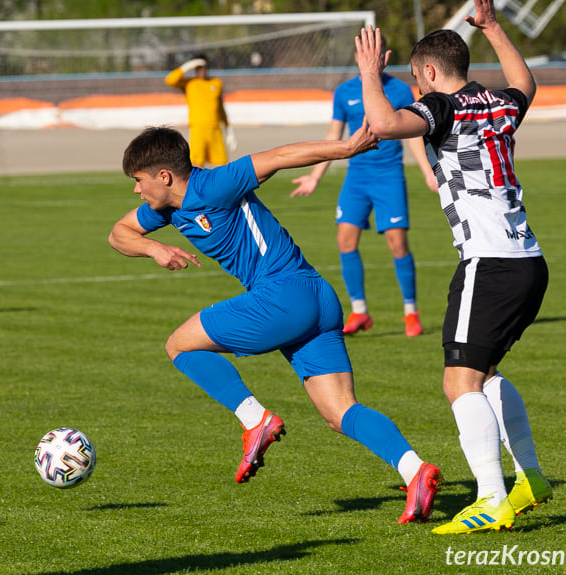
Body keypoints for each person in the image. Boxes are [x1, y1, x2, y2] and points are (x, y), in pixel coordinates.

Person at [109, 125, 442, 524]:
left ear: (163, 176)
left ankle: (255, 419)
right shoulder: (165, 209)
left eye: (138, 181)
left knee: (180, 345)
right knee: (339, 413)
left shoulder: (215, 184)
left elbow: (281, 156)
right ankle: (415, 471)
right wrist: (154, 247)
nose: (136, 191)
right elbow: (118, 234)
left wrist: (347, 147)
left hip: (284, 296)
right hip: (317, 297)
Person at [355, 0, 552, 534]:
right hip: (528, 260)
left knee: (458, 382)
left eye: (418, 80)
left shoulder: (442, 107)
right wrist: (492, 26)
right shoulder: (499, 104)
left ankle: (492, 497)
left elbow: (384, 122)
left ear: (431, 73)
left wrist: (370, 75)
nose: (416, 90)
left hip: (489, 263)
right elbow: (524, 82)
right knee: (484, 375)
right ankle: (528, 477)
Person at [290, 45, 438, 337]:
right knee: (345, 240)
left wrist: (427, 171)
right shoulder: (343, 92)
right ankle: (359, 311)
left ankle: (411, 312)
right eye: (362, 53)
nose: (369, 58)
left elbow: (412, 136)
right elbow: (334, 136)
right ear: (357, 56)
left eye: (377, 53)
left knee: (397, 244)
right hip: (356, 178)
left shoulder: (399, 91)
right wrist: (315, 176)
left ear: (385, 57)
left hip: (389, 177)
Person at [165, 54, 236, 168]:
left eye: (204, 67)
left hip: (215, 129)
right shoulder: (189, 83)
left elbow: (220, 107)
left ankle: (220, 186)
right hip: (198, 129)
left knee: (222, 165)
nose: (202, 70)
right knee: (196, 164)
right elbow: (170, 80)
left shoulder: (216, 83)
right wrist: (187, 66)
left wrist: (228, 128)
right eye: (198, 68)